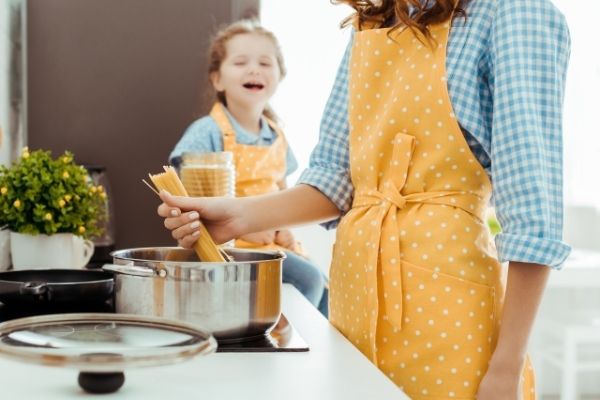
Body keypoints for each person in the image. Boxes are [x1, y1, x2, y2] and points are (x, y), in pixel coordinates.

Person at [158, 1, 571, 398]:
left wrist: (507, 367)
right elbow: (335, 179)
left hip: (445, 315)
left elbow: (533, 216)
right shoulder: (373, 25)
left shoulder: (513, 12)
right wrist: (239, 217)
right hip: (353, 304)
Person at [168, 20, 328, 316]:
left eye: (265, 63)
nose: (254, 69)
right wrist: (248, 226)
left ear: (280, 75)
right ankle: (281, 341)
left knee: (328, 290)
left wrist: (284, 230)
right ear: (217, 79)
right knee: (309, 278)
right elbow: (186, 195)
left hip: (272, 247)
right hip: (230, 246)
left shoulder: (276, 134)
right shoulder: (207, 132)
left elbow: (281, 190)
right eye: (241, 62)